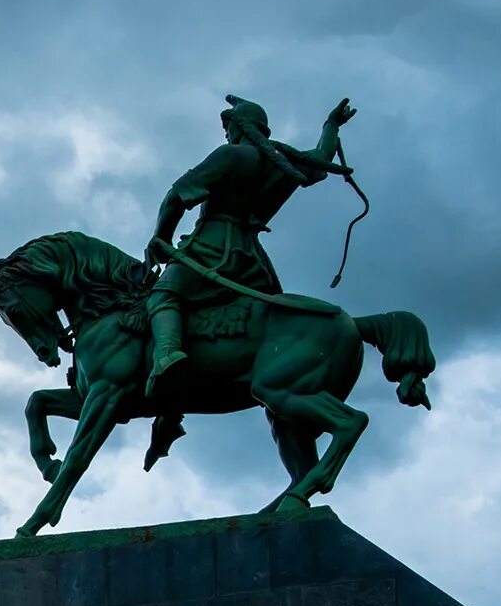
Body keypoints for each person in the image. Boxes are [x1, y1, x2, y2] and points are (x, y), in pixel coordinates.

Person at [142, 94, 357, 397]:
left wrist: (160, 237)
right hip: (253, 262)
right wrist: (331, 125)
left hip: (213, 251)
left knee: (163, 295)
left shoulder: (230, 156)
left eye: (228, 127)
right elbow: (322, 156)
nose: (227, 134)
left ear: (239, 127)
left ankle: (166, 354)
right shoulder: (282, 162)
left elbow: (176, 197)